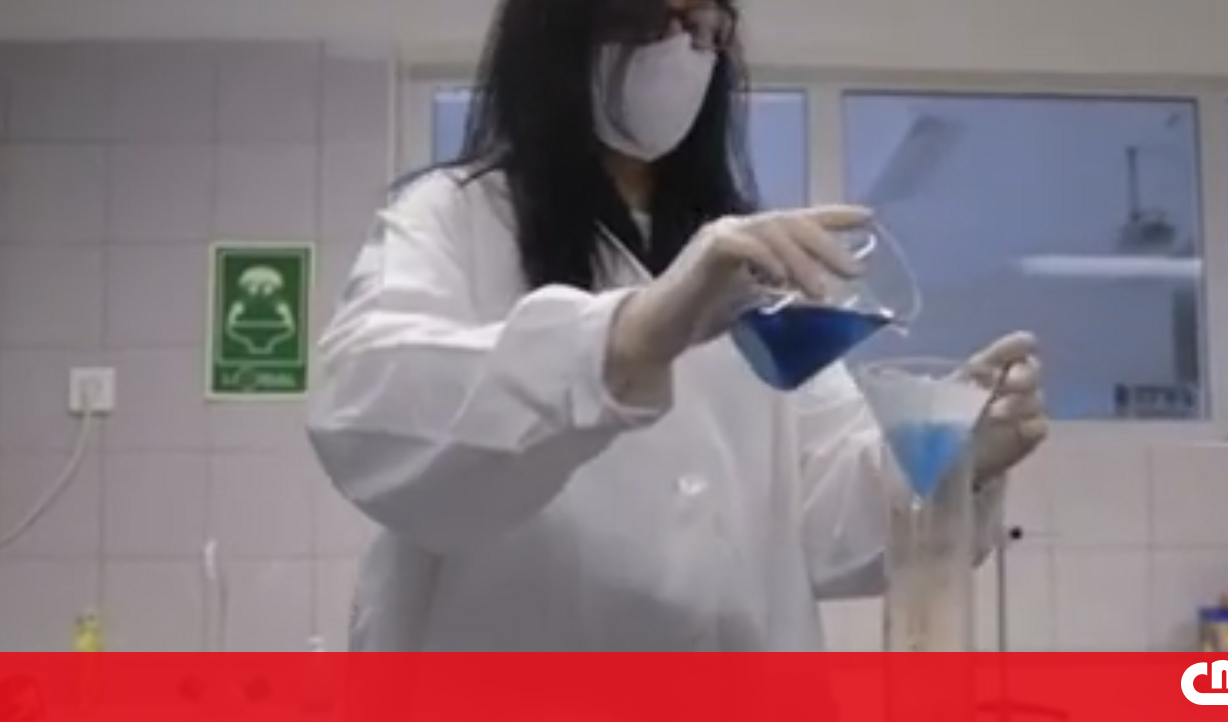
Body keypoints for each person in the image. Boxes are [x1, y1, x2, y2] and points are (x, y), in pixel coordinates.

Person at [306, 0, 1048, 652]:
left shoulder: (749, 259)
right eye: (644, 19)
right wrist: (629, 338)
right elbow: (369, 418)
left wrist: (948, 457)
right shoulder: (454, 218)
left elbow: (824, 523)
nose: (679, 49)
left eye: (702, 24)